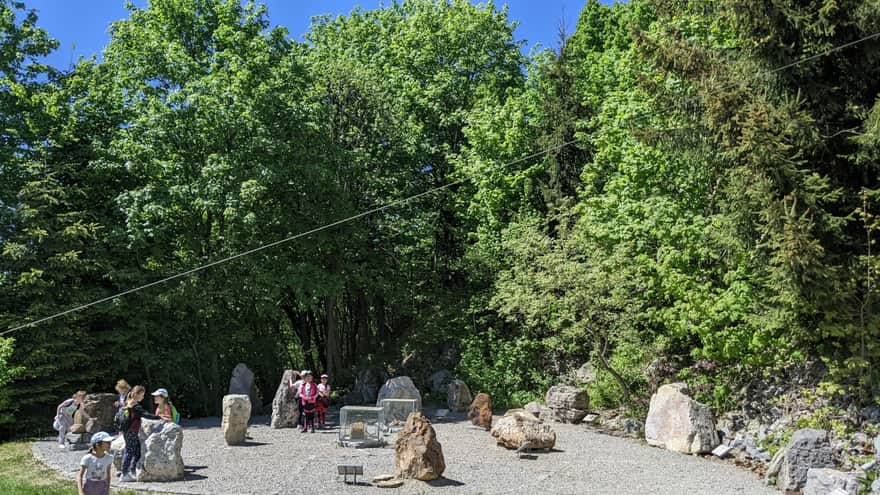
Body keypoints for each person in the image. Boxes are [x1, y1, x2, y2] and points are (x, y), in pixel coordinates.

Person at [120, 385, 162, 482]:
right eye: (142, 395)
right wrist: (159, 417)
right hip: (131, 431)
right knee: (130, 451)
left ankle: (132, 470)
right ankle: (124, 473)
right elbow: (145, 414)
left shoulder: (128, 402)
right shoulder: (134, 405)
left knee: (136, 450)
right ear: (136, 394)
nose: (143, 397)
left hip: (128, 431)